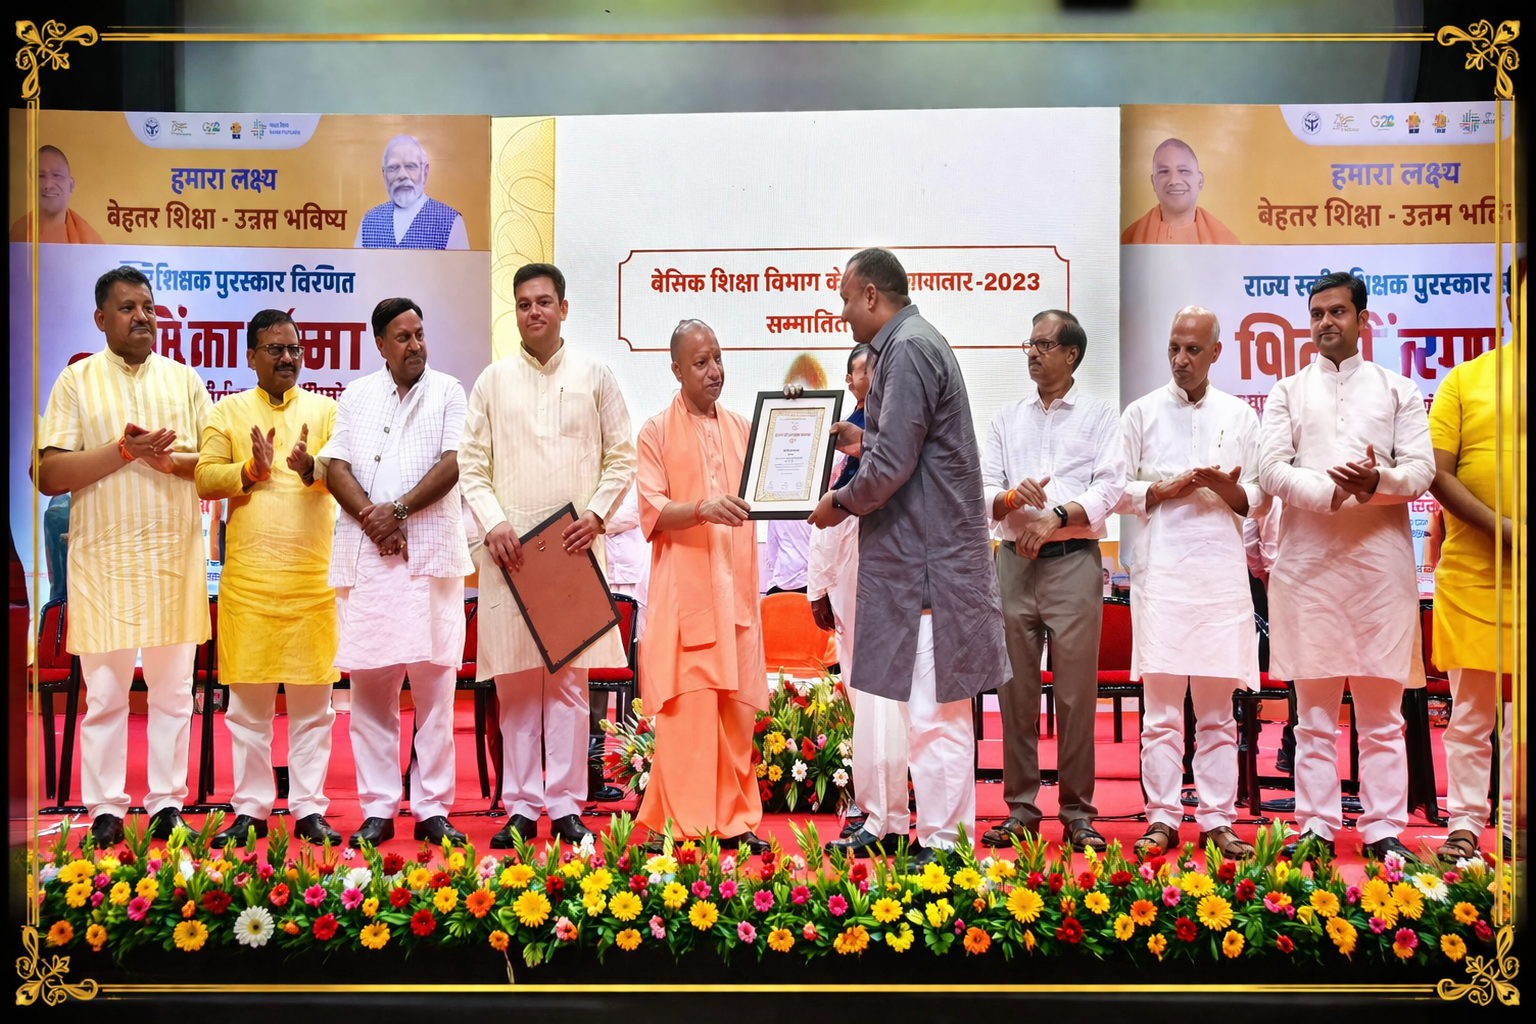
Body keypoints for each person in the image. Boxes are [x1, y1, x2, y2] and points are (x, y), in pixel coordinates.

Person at [809, 249, 1007, 864]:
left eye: (846, 299)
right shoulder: (907, 343)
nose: (843, 313)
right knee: (927, 710)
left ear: (871, 295)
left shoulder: (910, 348)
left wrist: (840, 502)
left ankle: (945, 844)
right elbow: (905, 448)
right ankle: (939, 837)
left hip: (930, 566)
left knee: (935, 713)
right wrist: (861, 439)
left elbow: (893, 465)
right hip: (920, 560)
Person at [1258, 272, 1435, 862]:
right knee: (1312, 716)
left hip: (1379, 572)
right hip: (1308, 570)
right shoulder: (1286, 391)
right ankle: (1315, 825)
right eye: (1317, 314)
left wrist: (1376, 480)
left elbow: (1421, 470)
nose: (1325, 322)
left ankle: (1384, 827)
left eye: (1337, 311)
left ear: (1362, 319)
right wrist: (1333, 492)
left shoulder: (1397, 389)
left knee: (1383, 716)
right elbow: (1271, 470)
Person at [459, 263, 636, 847]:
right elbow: (472, 464)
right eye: (523, 303)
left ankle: (563, 805)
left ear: (563, 308)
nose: (533, 311)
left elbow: (622, 457)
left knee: (567, 688)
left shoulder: (595, 375)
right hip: (510, 554)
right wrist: (493, 522)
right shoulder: (492, 381)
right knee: (514, 687)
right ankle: (519, 805)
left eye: (543, 301)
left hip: (571, 551)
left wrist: (598, 514)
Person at [35, 266, 209, 847]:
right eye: (128, 307)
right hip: (103, 562)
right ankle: (106, 808)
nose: (142, 317)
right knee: (106, 695)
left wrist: (168, 462)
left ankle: (167, 804)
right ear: (100, 318)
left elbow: (212, 466)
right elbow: (48, 473)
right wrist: (122, 452)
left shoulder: (184, 381)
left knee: (173, 693)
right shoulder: (77, 381)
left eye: (149, 307)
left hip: (171, 558)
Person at [319, 297, 473, 847]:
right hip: (370, 561)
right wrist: (374, 519)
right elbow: (335, 468)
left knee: (435, 696)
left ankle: (432, 808)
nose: (415, 345)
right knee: (370, 695)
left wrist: (399, 511)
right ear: (381, 345)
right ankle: (378, 808)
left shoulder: (449, 391)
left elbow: (454, 462)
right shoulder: (356, 395)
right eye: (403, 337)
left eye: (420, 334)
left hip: (430, 562)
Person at [1116, 306, 1267, 860]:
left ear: (1216, 353)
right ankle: (1161, 817)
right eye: (1174, 348)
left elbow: (1259, 497)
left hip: (1220, 580)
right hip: (1161, 578)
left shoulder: (1241, 416)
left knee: (1217, 714)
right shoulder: (1140, 413)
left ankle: (1218, 819)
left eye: (1193, 350)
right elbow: (1114, 489)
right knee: (1160, 715)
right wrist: (1163, 490)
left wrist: (1221, 488)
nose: (1181, 359)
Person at [978, 309, 1125, 854]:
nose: (1034, 354)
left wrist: (1057, 516)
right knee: (1015, 693)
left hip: (1073, 561)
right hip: (1014, 564)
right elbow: (982, 489)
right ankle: (1020, 809)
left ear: (1071, 354)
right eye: (1030, 345)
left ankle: (1078, 813)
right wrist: (1011, 498)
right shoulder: (1006, 419)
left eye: (1044, 345)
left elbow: (1110, 486)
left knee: (1075, 697)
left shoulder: (1099, 416)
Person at [196, 309, 342, 848]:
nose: (287, 357)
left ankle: (309, 809)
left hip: (312, 583)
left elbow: (346, 473)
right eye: (275, 349)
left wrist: (309, 468)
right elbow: (204, 478)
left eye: (294, 348)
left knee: (314, 711)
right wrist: (250, 471)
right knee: (247, 711)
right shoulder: (226, 412)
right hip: (250, 586)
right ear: (251, 356)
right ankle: (251, 809)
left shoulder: (326, 411)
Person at [634, 320, 769, 853]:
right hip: (684, 597)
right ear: (676, 370)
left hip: (735, 593)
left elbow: (775, 485)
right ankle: (683, 826)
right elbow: (652, 510)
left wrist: (792, 419)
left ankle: (734, 821)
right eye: (700, 363)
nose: (714, 371)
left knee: (735, 713)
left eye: (717, 358)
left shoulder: (743, 428)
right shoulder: (655, 432)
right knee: (688, 714)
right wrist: (702, 509)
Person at [809, 343, 910, 845]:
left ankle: (888, 815)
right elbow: (821, 514)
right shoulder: (838, 431)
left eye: (872, 369)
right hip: (845, 569)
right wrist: (818, 584)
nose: (864, 378)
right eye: (857, 371)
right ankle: (874, 811)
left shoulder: (896, 433)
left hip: (886, 562)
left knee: (885, 697)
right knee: (859, 691)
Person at [1427, 340, 1519, 860]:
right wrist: (1504, 529)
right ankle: (1464, 824)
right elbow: (1437, 473)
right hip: (1474, 572)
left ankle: (1514, 823)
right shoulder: (1464, 379)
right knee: (1470, 715)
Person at [354, 135, 469, 250]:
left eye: (410, 166)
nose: (402, 175)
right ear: (384, 174)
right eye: (393, 167)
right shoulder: (368, 222)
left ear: (425, 171)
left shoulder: (450, 222)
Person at [1120, 138, 1240, 245]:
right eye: (1164, 172)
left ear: (1200, 181)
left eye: (1183, 171)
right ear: (1153, 182)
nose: (1174, 181)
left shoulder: (1227, 242)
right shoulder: (1130, 238)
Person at [10, 146, 104, 244]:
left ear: (71, 185)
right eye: (40, 176)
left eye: (57, 175)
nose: (48, 185)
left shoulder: (90, 241)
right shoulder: (17, 233)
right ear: (31, 187)